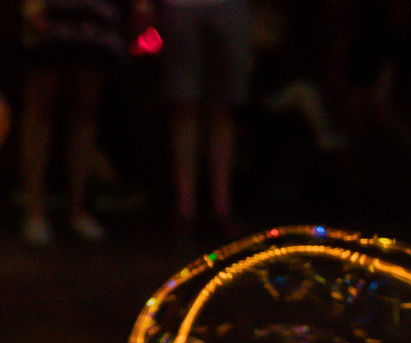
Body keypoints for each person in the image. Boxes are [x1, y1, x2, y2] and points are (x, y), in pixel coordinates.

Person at [16, 0, 131, 245]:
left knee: (84, 115)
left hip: (93, 18)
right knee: (40, 113)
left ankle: (78, 209)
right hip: (49, 11)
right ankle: (35, 211)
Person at [159, 0, 251, 236]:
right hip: (180, 6)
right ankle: (185, 208)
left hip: (228, 5)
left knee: (224, 107)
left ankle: (222, 208)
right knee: (184, 106)